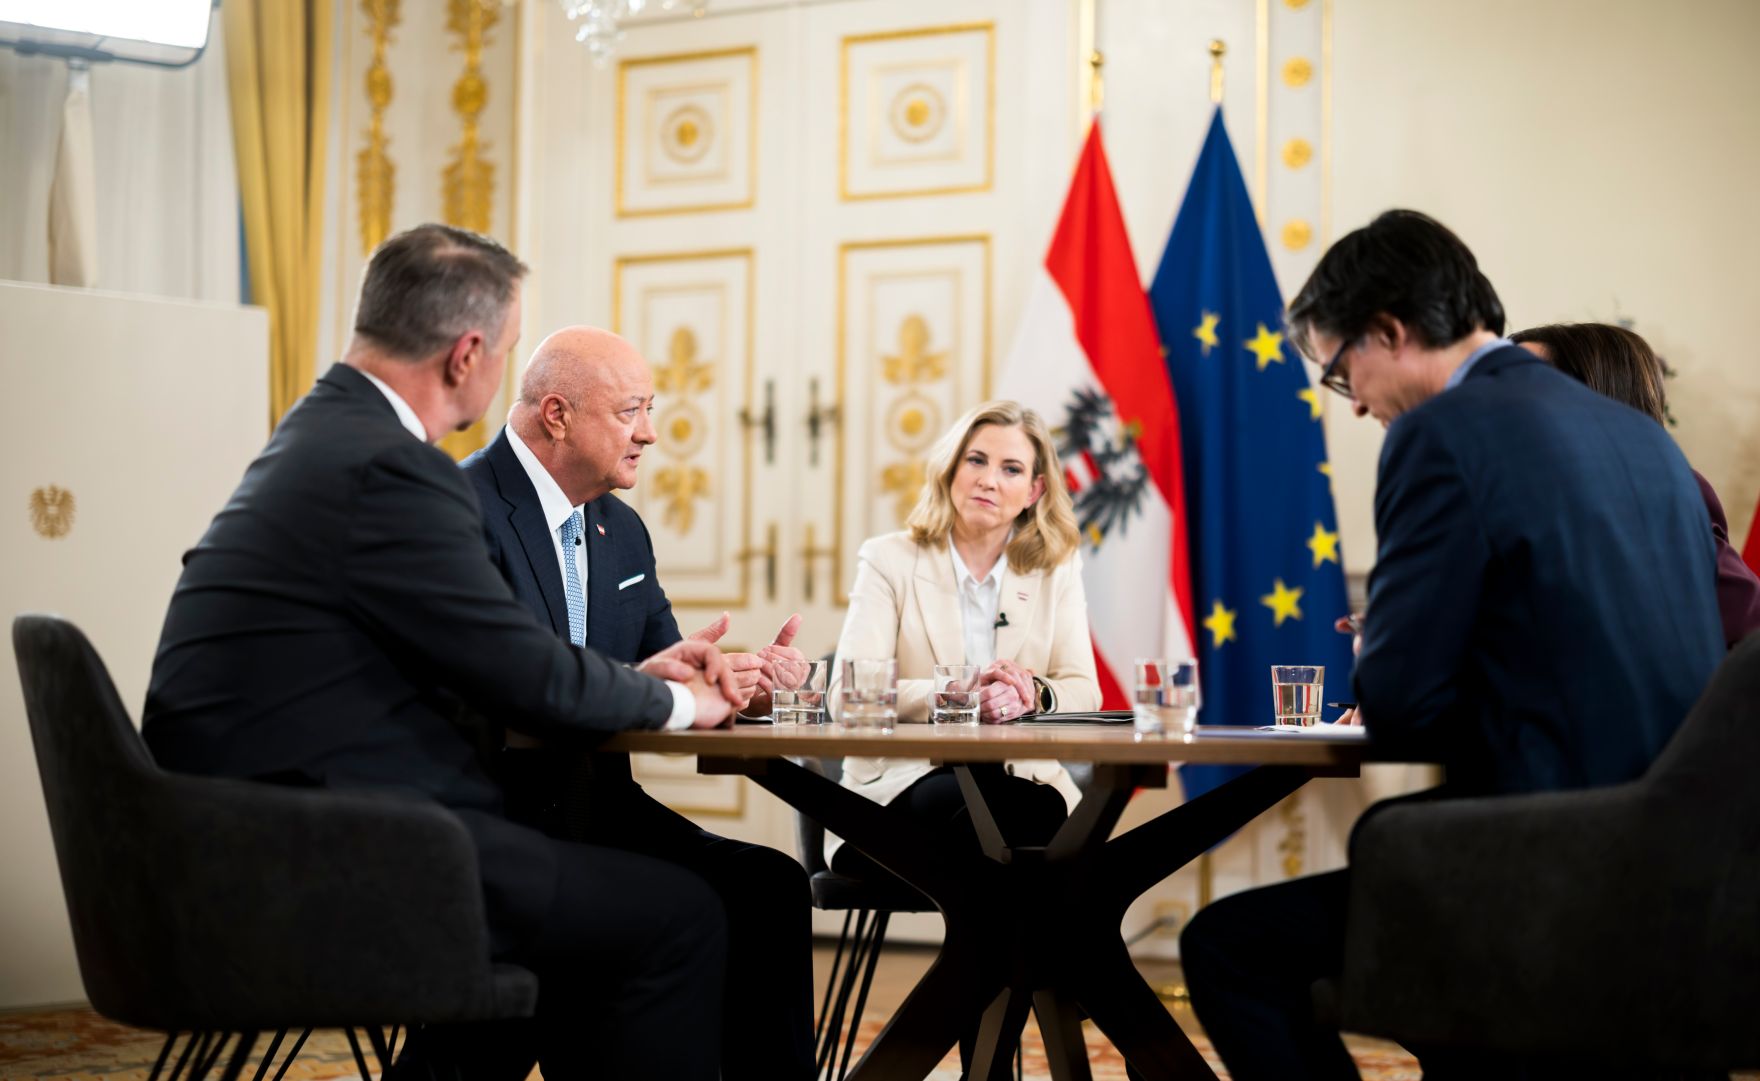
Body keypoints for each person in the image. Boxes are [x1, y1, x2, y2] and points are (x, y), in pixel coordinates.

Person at [143, 224, 744, 1081]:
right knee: (680, 913)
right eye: (504, 350)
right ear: (468, 354)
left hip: (232, 836)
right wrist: (688, 703)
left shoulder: (317, 438)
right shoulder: (392, 468)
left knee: (591, 902)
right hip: (318, 854)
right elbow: (520, 667)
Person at [1179, 210, 1725, 1081]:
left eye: (1338, 369)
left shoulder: (1441, 432)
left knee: (1228, 949)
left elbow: (1400, 703)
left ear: (1390, 332)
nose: (1353, 400)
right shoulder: (1640, 437)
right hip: (1689, 866)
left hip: (1547, 861)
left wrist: (1394, 642)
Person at [459, 324, 815, 1080]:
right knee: (686, 911)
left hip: (604, 807)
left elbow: (663, 674)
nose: (651, 433)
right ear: (557, 413)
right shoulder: (461, 509)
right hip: (501, 816)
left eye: (649, 409)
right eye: (631, 411)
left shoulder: (621, 530)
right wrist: (668, 690)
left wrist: (731, 682)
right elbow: (492, 690)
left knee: (770, 887)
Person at [826, 399, 1100, 876]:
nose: (988, 480)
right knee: (1018, 825)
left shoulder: (1056, 568)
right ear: (951, 467)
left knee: (1024, 816)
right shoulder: (889, 560)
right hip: (899, 787)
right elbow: (846, 696)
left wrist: (1028, 692)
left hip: (1019, 782)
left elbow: (1084, 689)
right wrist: (957, 693)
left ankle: (988, 952)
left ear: (1035, 490)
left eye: (1010, 469)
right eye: (976, 460)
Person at [1510, 321, 1760, 647]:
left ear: (1596, 401)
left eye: (1522, 386)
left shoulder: (1663, 494)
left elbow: (1748, 632)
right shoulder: (1506, 491)